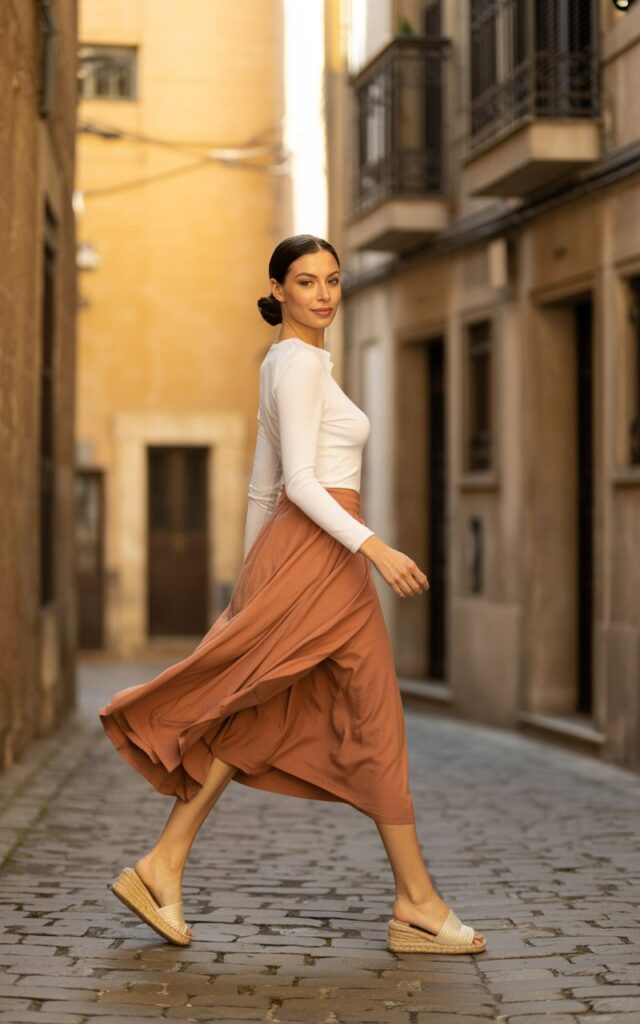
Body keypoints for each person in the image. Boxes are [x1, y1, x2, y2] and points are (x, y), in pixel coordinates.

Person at [99, 234, 486, 956]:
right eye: (307, 282)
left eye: (333, 280)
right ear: (277, 289)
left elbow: (261, 484)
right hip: (323, 553)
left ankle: (165, 865)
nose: (324, 294)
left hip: (305, 555)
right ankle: (417, 904)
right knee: (367, 717)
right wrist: (372, 546)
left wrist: (252, 585)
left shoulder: (284, 362)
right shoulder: (299, 363)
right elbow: (298, 484)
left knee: (271, 707)